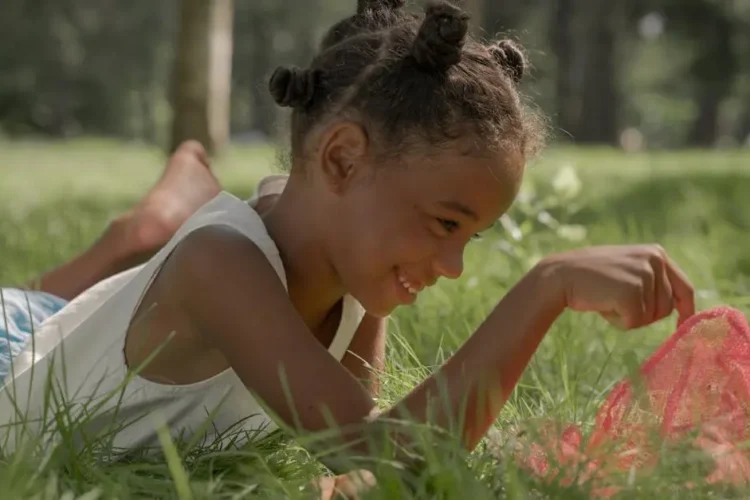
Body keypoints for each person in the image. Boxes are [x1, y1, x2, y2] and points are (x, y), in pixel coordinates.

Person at [0, 0, 695, 497]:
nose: (454, 266)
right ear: (339, 159)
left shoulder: (354, 279)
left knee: (76, 312)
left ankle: (155, 227)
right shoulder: (220, 265)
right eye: (444, 224)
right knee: (48, 311)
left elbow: (362, 465)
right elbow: (386, 452)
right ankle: (148, 228)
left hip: (73, 334)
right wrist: (548, 285)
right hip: (13, 357)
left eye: (472, 236)